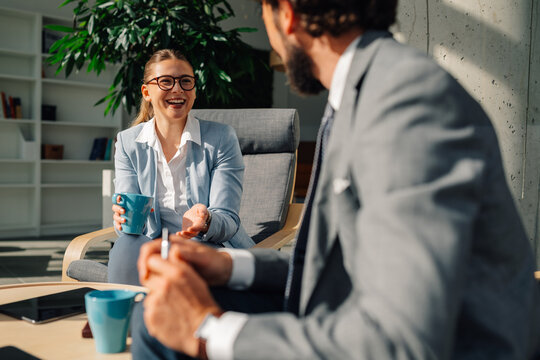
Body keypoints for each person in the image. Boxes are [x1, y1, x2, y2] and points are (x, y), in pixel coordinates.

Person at [132, 1, 540, 359]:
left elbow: (401, 343)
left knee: (164, 332)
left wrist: (206, 331)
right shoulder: (362, 93)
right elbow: (335, 262)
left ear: (286, 14)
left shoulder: (409, 103)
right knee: (152, 316)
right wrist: (226, 264)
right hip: (358, 312)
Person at [108, 49, 255, 285]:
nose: (177, 89)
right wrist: (122, 219)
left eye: (186, 81)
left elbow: (227, 220)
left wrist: (206, 220)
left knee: (175, 265)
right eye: (165, 81)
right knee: (125, 246)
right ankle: (120, 318)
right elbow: (130, 225)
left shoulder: (221, 138)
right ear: (146, 91)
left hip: (208, 243)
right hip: (151, 243)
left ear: (194, 91)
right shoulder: (128, 143)